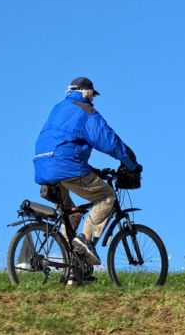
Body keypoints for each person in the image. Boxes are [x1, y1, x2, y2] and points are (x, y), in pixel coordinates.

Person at [33, 77, 142, 266]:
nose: (93, 100)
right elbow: (108, 141)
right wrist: (132, 163)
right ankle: (85, 238)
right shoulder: (84, 110)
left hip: (43, 166)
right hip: (66, 165)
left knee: (72, 214)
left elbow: (64, 144)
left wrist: (94, 171)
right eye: (93, 95)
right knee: (107, 196)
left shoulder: (58, 108)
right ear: (85, 92)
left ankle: (72, 269)